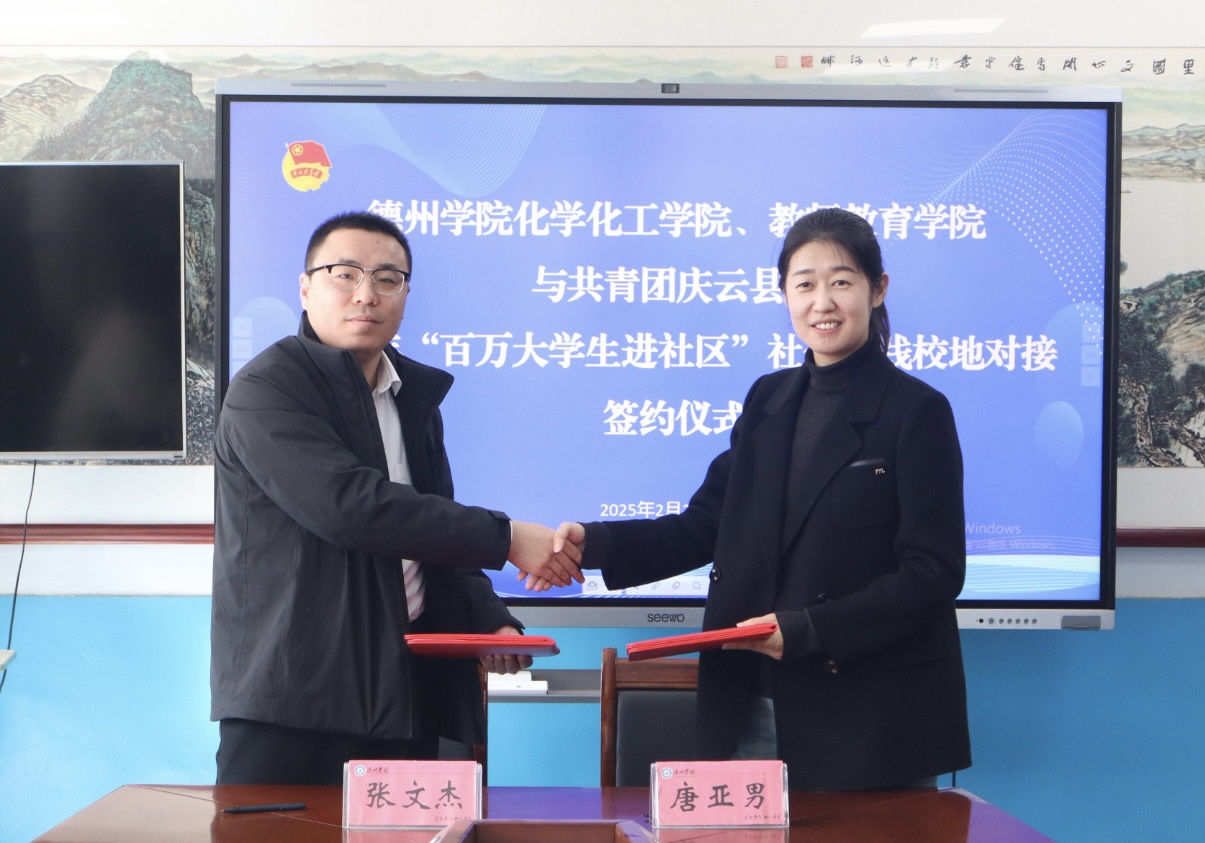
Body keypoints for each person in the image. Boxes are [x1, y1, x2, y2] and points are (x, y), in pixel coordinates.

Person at [545, 208, 971, 791]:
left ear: (878, 290)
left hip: (866, 716)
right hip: (747, 701)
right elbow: (704, 525)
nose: (822, 302)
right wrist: (592, 544)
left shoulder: (916, 410)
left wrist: (809, 629)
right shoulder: (768, 400)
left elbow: (933, 572)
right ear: (785, 296)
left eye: (841, 281)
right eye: (805, 284)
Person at [211, 210, 582, 785]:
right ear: (305, 287)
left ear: (405, 295)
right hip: (296, 702)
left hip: (406, 688)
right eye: (344, 274)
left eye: (388, 279)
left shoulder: (411, 397)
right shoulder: (267, 388)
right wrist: (507, 538)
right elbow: (350, 507)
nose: (366, 294)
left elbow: (430, 536)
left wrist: (491, 623)